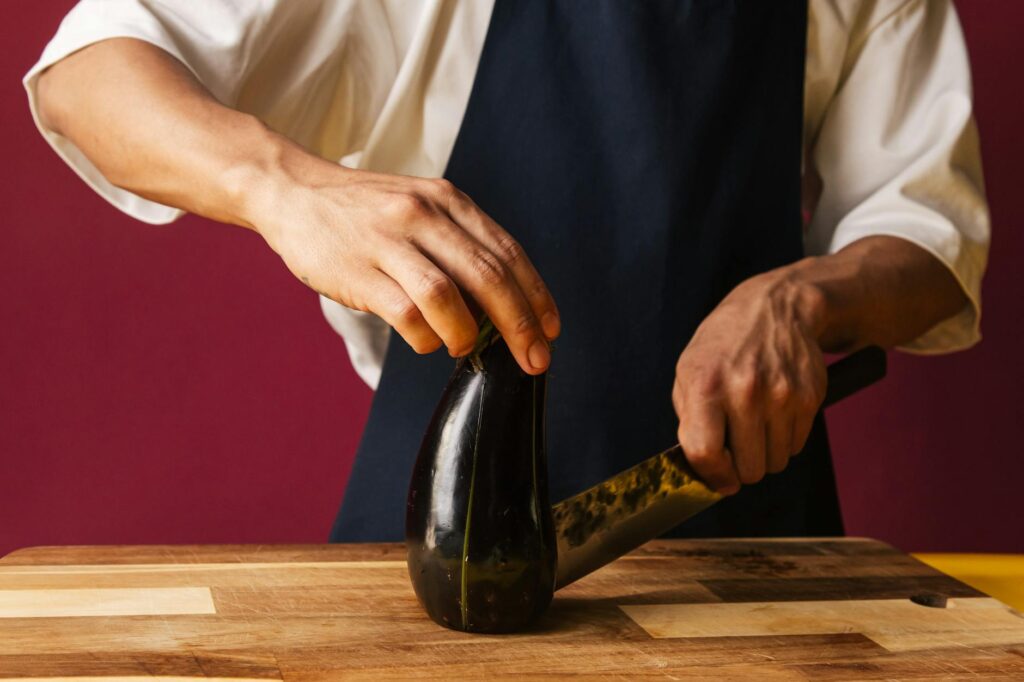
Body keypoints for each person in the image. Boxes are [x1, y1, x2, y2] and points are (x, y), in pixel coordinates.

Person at [25, 0, 988, 542]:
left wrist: (802, 297)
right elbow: (89, 73)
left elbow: (931, 236)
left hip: (754, 535)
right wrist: (288, 188)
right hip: (442, 533)